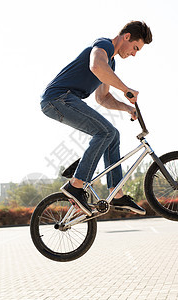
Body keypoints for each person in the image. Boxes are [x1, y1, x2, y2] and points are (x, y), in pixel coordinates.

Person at [40, 21, 152, 216]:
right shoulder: (104, 45)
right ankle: (76, 185)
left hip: (64, 100)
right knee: (105, 132)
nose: (134, 54)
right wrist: (125, 89)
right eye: (135, 48)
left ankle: (116, 193)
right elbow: (96, 65)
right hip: (58, 97)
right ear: (126, 37)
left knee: (112, 134)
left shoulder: (111, 63)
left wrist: (127, 108)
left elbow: (102, 97)